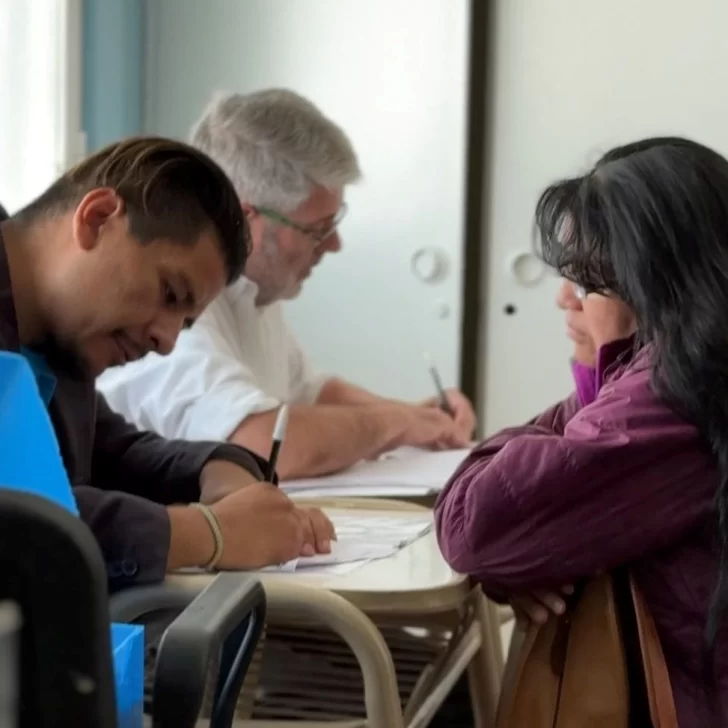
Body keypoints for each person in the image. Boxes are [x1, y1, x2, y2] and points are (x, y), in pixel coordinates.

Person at [435, 137, 728, 726]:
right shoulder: (691, 366)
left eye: (589, 281)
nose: (565, 300)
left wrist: (523, 545)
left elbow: (475, 522)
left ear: (652, 284)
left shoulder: (675, 392)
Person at [0, 136, 333, 590]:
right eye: (170, 294)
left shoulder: (57, 345)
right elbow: (21, 519)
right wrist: (207, 534)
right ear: (97, 220)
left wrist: (218, 469)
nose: (167, 341)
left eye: (186, 321)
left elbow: (116, 450)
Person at [97, 90, 476, 480]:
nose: (333, 244)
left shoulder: (253, 294)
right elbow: (263, 444)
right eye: (318, 229)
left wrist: (420, 418)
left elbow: (307, 390)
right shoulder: (175, 309)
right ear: (246, 219)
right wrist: (398, 423)